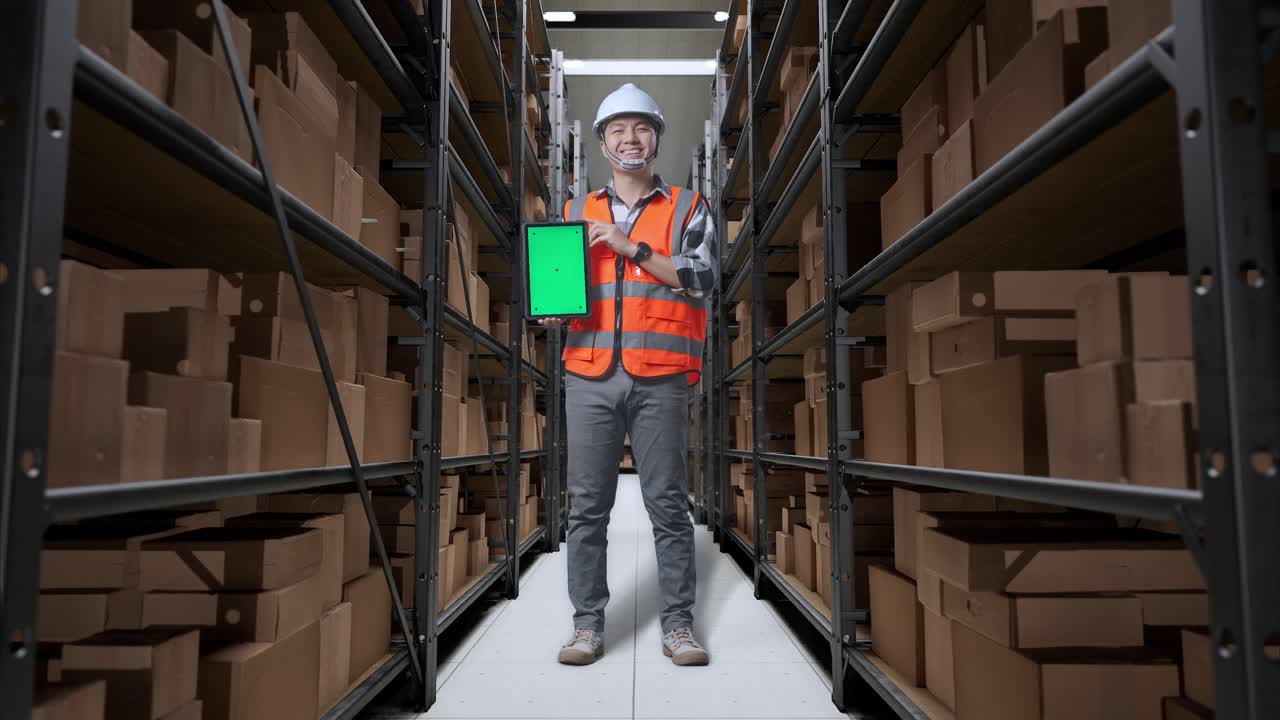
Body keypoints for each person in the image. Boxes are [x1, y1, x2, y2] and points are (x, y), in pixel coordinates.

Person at [540, 83, 718, 667]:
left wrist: (630, 246)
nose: (629, 138)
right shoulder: (570, 213)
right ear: (602, 142)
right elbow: (558, 289)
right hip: (589, 372)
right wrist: (548, 303)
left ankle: (678, 627)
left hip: (661, 373)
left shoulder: (688, 206)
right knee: (586, 507)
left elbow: (700, 277)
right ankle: (587, 625)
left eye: (641, 128)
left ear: (656, 138)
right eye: (617, 129)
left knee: (667, 504)